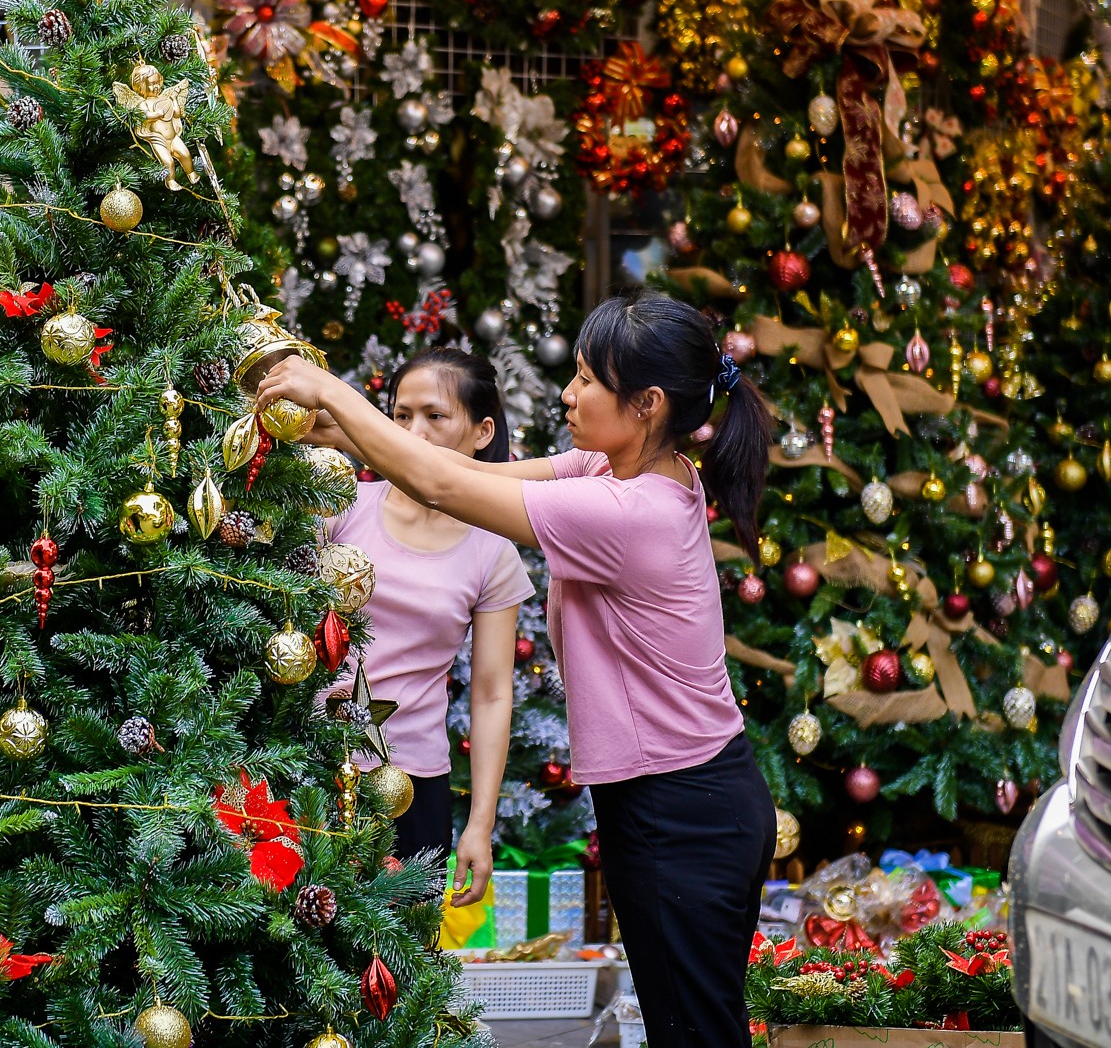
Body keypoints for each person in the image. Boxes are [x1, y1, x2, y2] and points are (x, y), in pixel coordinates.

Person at [259, 290, 777, 1048]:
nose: (568, 394)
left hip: (686, 809)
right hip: (670, 799)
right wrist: (332, 424)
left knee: (696, 1034)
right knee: (682, 1028)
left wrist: (330, 387)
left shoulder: (629, 514)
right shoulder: (612, 465)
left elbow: (446, 487)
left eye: (588, 379)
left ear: (647, 404)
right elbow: (444, 464)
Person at [324, 348, 533, 905]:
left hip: (414, 788)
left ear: (482, 431)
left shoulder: (493, 551)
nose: (414, 432)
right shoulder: (344, 506)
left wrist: (479, 825)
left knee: (400, 975)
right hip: (312, 768)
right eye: (400, 416)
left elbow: (490, 694)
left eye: (435, 416)